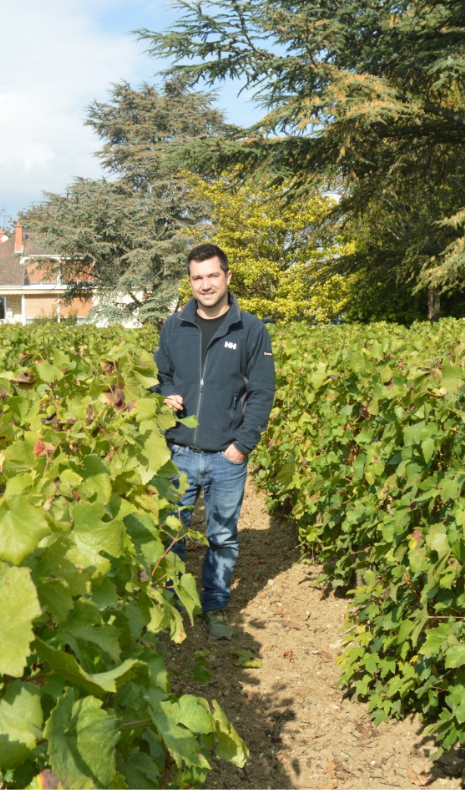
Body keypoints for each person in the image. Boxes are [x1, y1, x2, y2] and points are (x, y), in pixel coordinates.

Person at [155, 243, 276, 639]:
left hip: (227, 455)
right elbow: (162, 375)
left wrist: (241, 446)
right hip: (179, 451)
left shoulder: (251, 329)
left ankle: (215, 604)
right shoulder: (174, 326)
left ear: (227, 277)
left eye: (212, 275)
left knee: (222, 535)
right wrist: (165, 393)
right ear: (190, 282)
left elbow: (262, 393)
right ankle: (170, 604)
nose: (205, 284)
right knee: (172, 530)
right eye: (197, 277)